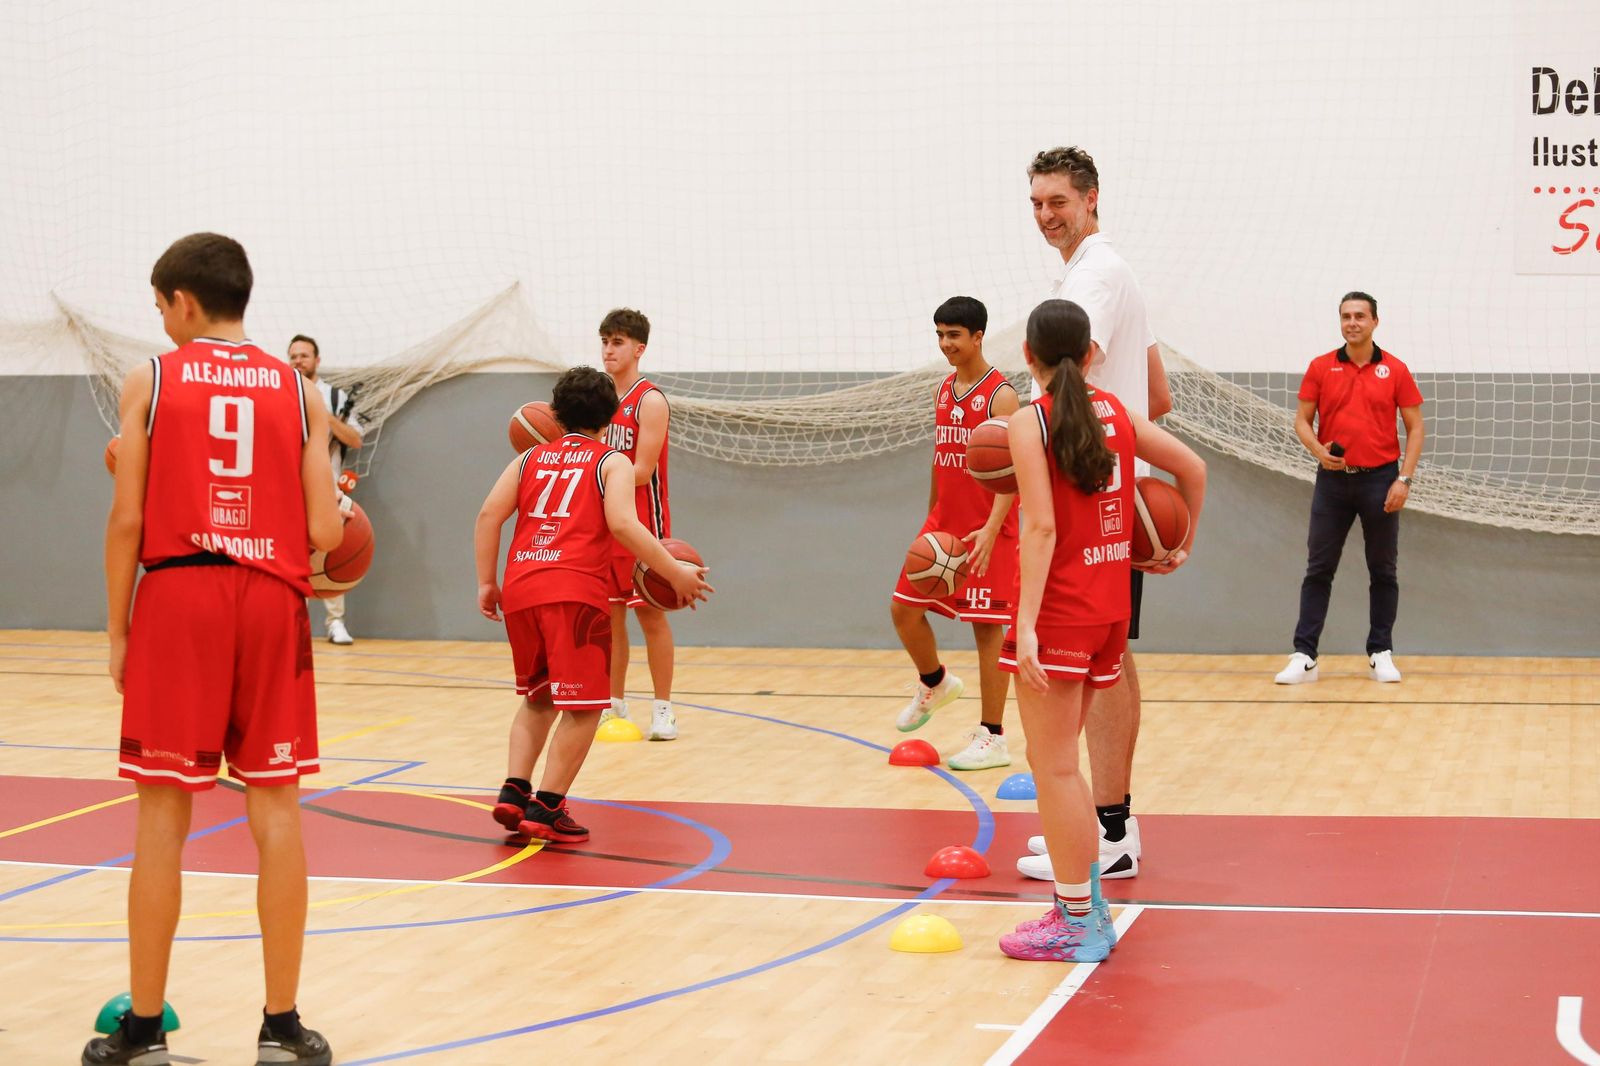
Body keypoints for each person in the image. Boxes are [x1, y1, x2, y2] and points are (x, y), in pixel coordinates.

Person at [88, 233, 342, 1065]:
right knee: (277, 812)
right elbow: (324, 531)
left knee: (162, 815)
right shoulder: (298, 390)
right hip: (271, 599)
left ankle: (141, 1032)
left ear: (184, 302)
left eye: (160, 305)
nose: (159, 320)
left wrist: (121, 628)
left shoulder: (151, 379)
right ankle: (281, 1027)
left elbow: (127, 521)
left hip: (179, 595)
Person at [997, 299, 1205, 963]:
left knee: (1053, 767)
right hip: (1109, 607)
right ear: (1092, 356)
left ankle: (1075, 921)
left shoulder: (1031, 422)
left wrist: (1025, 626)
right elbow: (1193, 470)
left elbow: (1040, 528)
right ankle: (1088, 903)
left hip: (1060, 610)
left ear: (1027, 356)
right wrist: (1178, 547)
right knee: (1067, 769)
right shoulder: (1116, 414)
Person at [1019, 146, 1172, 882]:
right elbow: (1159, 396)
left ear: (1092, 198)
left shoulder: (1095, 276)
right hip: (1111, 493)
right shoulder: (1104, 271)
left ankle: (1107, 831)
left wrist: (1014, 441)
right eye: (1038, 204)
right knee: (1111, 659)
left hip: (1090, 501)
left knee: (1092, 667)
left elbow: (1069, 376)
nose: (1048, 215)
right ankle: (1104, 825)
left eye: (1059, 202)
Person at [476, 367, 711, 843]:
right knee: (583, 709)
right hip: (574, 590)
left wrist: (486, 582)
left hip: (521, 584)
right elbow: (624, 525)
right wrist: (674, 571)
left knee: (538, 698)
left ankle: (513, 791)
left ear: (557, 413)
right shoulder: (611, 463)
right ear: (610, 417)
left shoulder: (528, 460)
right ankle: (546, 808)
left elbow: (488, 515)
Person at [890, 296, 1021, 770]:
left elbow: (1014, 468)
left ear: (978, 336)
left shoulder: (1000, 394)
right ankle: (935, 681)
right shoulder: (944, 390)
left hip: (988, 528)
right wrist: (930, 517)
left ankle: (993, 736)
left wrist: (991, 527)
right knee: (903, 609)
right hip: (944, 523)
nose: (946, 344)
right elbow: (939, 457)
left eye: (954, 335)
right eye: (940, 334)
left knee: (988, 631)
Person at [1275, 292, 1424, 685]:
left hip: (1381, 481)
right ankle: (1305, 655)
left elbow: (1416, 428)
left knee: (1383, 570)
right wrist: (1318, 451)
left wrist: (1403, 480)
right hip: (1332, 484)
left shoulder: (1395, 369)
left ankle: (1380, 651)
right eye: (1346, 316)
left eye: (1360, 316)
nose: (1352, 322)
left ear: (1375, 321)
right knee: (1319, 569)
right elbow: (1303, 421)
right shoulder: (1321, 367)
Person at [595, 309, 680, 741]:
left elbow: (643, 470)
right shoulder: (596, 400)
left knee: (650, 615)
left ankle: (663, 709)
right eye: (605, 341)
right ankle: (613, 705)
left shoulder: (651, 400)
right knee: (610, 619)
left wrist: (598, 468)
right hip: (605, 523)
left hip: (645, 521)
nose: (609, 349)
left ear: (638, 348)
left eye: (618, 342)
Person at [286, 334, 363, 645]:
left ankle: (336, 623)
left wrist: (325, 417)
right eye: (293, 356)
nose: (298, 361)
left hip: (328, 485)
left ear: (316, 360)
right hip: (288, 485)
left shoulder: (336, 398)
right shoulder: (281, 392)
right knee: (294, 554)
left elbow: (355, 438)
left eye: (304, 355)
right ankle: (295, 623)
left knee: (332, 552)